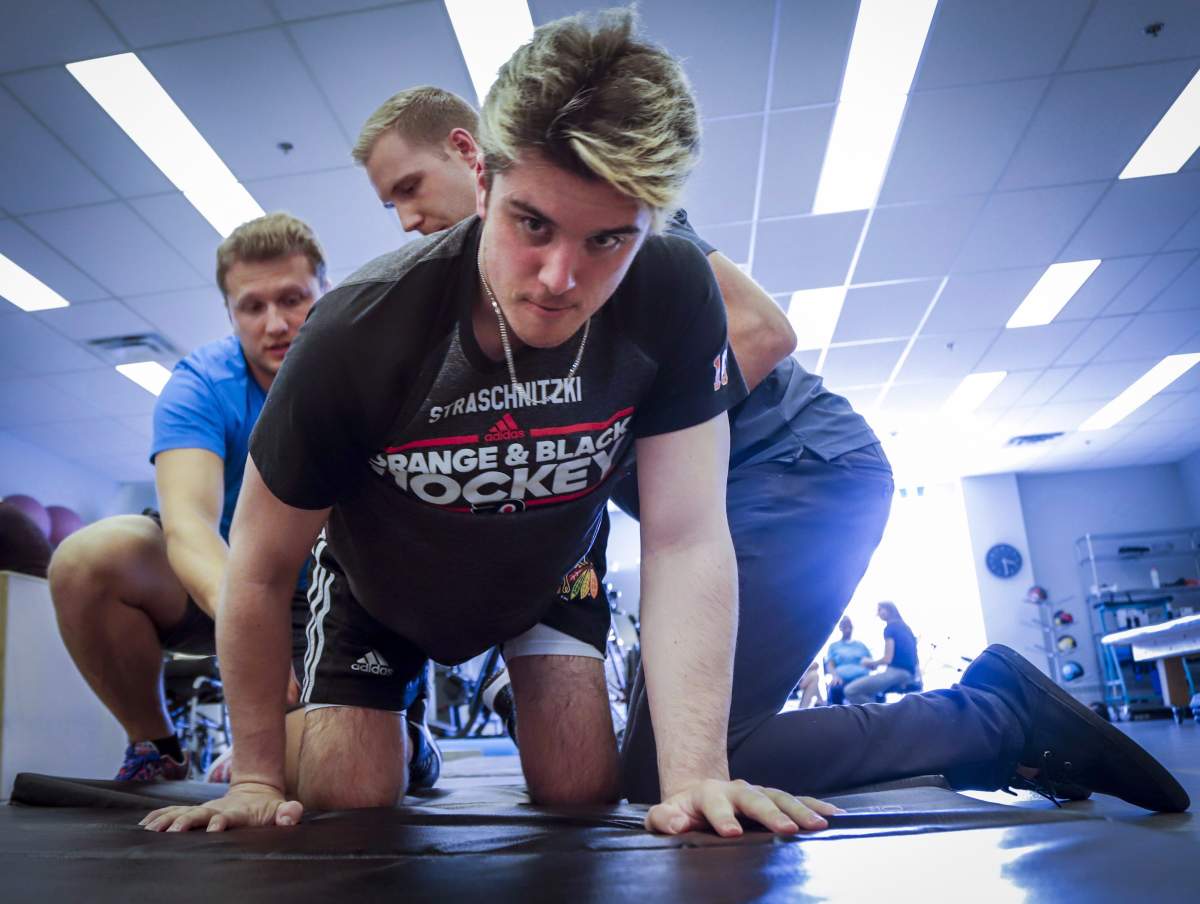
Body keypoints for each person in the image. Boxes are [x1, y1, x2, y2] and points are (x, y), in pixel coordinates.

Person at [325, 20, 1191, 817]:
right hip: (759, 488)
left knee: (674, 769)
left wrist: (584, 433)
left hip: (802, 471)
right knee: (662, 759)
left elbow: (762, 329)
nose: (404, 217)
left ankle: (991, 719)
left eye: (408, 186)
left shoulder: (609, 211)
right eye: (386, 204)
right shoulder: (480, 298)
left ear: (472, 155)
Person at [143, 11, 840, 838]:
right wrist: (255, 774)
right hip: (382, 580)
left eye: (609, 240)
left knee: (582, 790)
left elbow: (687, 535)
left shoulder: (675, 290)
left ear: (653, 222)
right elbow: (257, 569)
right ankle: (403, 728)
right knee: (349, 793)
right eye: (531, 224)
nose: (559, 278)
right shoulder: (357, 331)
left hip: (546, 567)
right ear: (480, 175)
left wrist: (696, 777)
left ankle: (508, 676)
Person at [46, 214, 450, 793]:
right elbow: (188, 528)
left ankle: (407, 739)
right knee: (89, 558)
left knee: (315, 775)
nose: (276, 324)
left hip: (337, 593)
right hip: (236, 578)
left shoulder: (370, 367)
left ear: (325, 292)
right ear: (230, 312)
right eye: (251, 307)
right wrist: (250, 631)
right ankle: (155, 746)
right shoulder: (203, 382)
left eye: (293, 299)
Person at [845, 602, 919, 704]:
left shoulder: (890, 628)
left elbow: (887, 659)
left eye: (880, 610)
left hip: (897, 672)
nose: (878, 613)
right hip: (911, 674)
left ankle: (880, 717)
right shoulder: (906, 628)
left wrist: (870, 663)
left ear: (890, 609)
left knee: (850, 690)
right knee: (870, 692)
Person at [825, 616, 872, 705]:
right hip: (841, 680)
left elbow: (872, 665)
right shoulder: (834, 646)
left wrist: (870, 663)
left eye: (849, 626)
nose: (848, 629)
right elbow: (830, 665)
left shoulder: (861, 645)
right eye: (845, 626)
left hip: (861, 679)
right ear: (840, 628)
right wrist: (835, 676)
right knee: (835, 689)